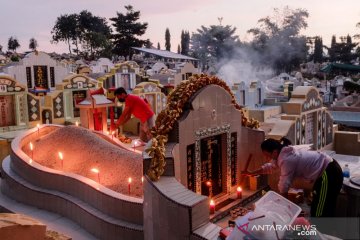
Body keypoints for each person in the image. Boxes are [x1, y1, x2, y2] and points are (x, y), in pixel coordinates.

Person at [242, 137, 343, 217]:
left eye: (268, 155)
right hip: (326, 171)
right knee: (317, 206)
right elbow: (270, 167)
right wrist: (251, 173)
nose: (267, 158)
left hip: (329, 173)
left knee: (322, 210)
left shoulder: (287, 160)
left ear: (275, 152)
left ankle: (322, 234)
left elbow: (284, 184)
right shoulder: (283, 153)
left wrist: (285, 207)